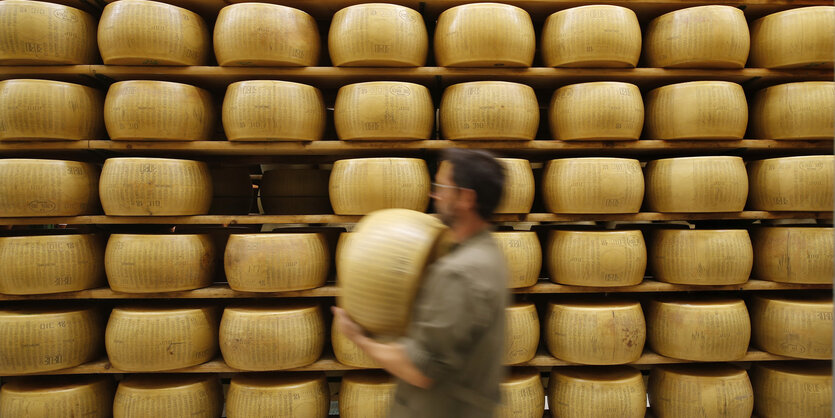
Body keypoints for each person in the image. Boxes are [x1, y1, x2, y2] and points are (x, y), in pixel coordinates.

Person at [332, 148, 510, 417]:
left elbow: (420, 370)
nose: (434, 194)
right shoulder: (489, 253)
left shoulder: (458, 273)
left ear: (466, 198)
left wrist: (358, 338)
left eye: (442, 187)